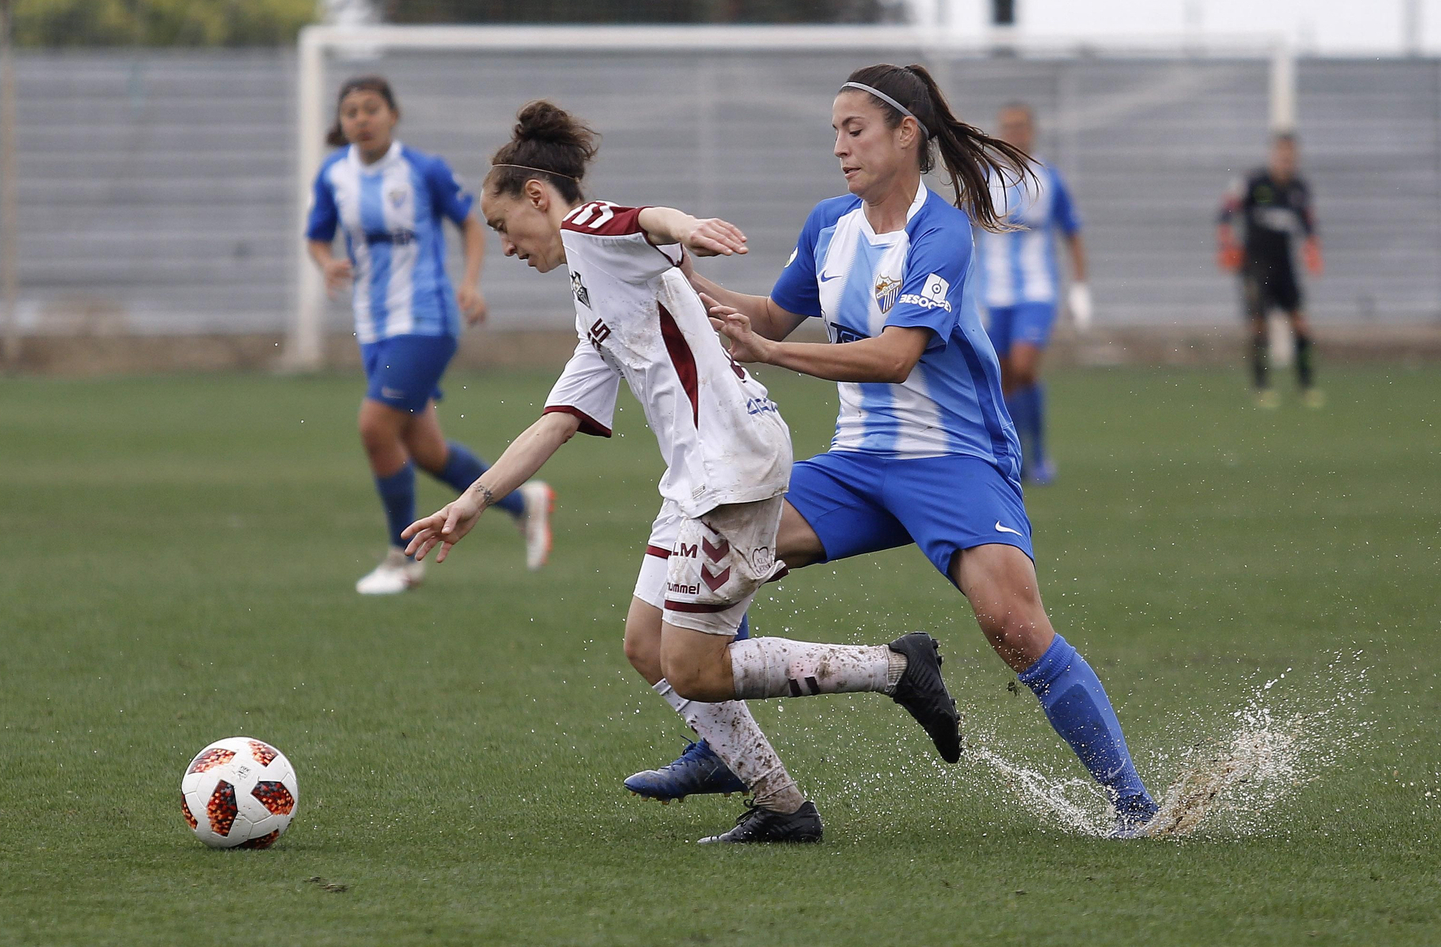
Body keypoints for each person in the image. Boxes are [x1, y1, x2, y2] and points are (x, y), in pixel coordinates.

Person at [401, 100, 963, 845]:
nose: (503, 245)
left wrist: (687, 226)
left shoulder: (587, 231)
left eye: (503, 227)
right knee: (646, 645)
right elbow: (558, 419)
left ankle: (895, 668)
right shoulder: (591, 295)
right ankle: (781, 806)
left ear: (537, 197)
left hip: (732, 463)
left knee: (695, 666)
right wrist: (473, 502)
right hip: (696, 476)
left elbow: (641, 219)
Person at [648, 64, 1159, 837]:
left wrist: (769, 352)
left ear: (905, 134)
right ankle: (721, 749)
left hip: (955, 461)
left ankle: (1136, 806)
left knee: (1014, 629)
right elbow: (769, 317)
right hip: (857, 464)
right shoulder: (828, 224)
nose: (839, 147)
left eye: (854, 130)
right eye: (834, 133)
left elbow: (893, 356)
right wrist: (674, 270)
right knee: (718, 541)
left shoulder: (941, 232)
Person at [305, 75, 553, 595]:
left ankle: (402, 560)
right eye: (351, 111)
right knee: (426, 452)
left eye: (371, 108)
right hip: (373, 327)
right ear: (342, 122)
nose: (362, 119)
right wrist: (327, 263)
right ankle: (523, 503)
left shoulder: (422, 170)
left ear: (392, 115)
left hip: (426, 320)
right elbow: (316, 237)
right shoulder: (334, 175)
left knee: (375, 428)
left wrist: (469, 284)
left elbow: (469, 222)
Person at [974, 102, 1089, 484]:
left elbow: (1072, 232)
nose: (1015, 133)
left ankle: (1039, 454)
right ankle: (1016, 457)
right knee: (1003, 378)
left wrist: (1080, 289)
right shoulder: (983, 179)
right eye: (1007, 126)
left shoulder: (1049, 179)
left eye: (1021, 126)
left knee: (1024, 367)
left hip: (1037, 291)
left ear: (1032, 130)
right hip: (991, 294)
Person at [1217, 132, 1325, 409]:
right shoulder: (1254, 182)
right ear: (1273, 155)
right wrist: (1226, 244)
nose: (1286, 161)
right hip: (1255, 266)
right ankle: (1261, 386)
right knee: (1259, 326)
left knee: (1300, 323)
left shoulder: (1299, 190)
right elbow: (1226, 210)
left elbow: (1309, 224)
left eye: (1291, 156)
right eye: (1281, 155)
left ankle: (1307, 385)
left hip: (1285, 267)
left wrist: (1313, 249)